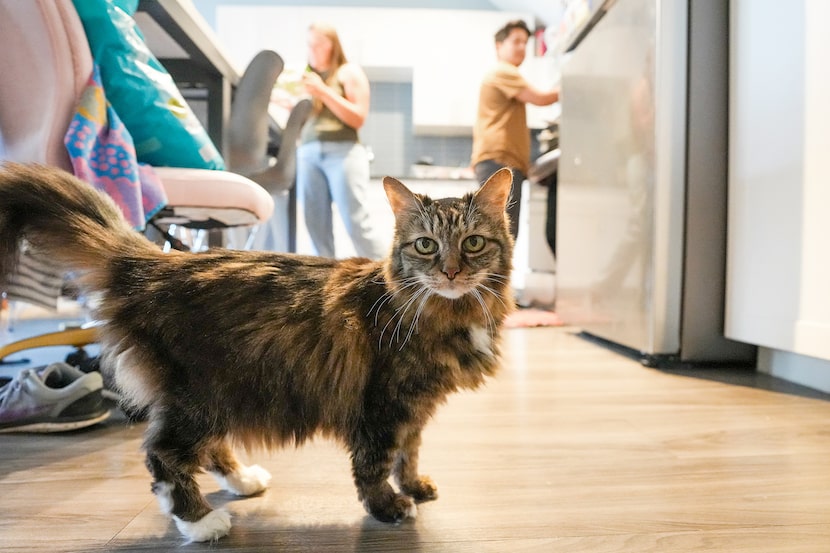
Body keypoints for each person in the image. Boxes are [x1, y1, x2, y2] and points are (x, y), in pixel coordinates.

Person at [296, 22, 386, 259]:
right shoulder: (309, 80)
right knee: (316, 228)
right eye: (309, 44)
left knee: (356, 224)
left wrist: (323, 90)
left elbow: (358, 117)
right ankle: (322, 285)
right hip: (307, 153)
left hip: (343, 152)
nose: (312, 50)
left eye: (318, 44)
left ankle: (388, 280)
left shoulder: (348, 72)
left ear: (332, 45)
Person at [471, 19, 560, 240]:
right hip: (500, 161)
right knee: (502, 236)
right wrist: (574, 83)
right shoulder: (504, 71)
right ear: (499, 46)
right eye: (516, 41)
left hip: (498, 161)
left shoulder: (503, 74)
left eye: (525, 43)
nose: (522, 47)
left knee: (497, 234)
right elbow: (541, 98)